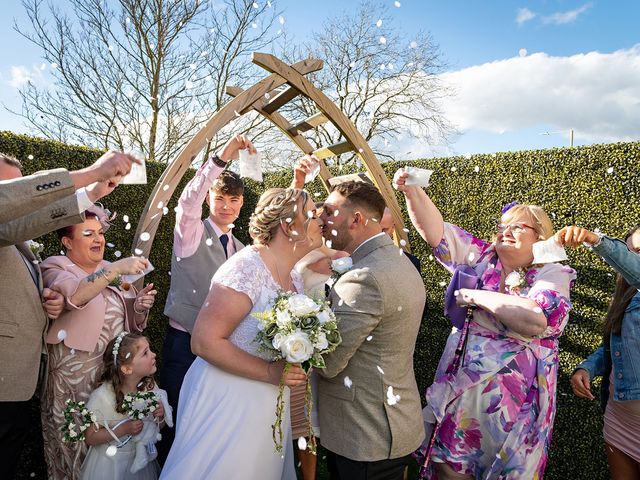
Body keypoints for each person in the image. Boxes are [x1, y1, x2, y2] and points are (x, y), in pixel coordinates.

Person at [394, 169, 576, 479]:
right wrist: (411, 190)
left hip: (518, 403)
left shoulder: (553, 273)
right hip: (463, 392)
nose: (505, 231)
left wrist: (475, 296)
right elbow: (437, 234)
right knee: (449, 467)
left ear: (539, 236)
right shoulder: (481, 258)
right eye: (502, 226)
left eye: (517, 227)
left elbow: (535, 319)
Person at [160, 188, 320, 479]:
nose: (319, 219)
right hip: (227, 400)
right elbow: (204, 340)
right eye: (311, 214)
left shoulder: (294, 276)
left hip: (268, 403)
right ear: (287, 225)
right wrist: (271, 372)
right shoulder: (246, 267)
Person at [0, 151, 136, 479]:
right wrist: (89, 173)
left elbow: (34, 216)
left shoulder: (15, 240)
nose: (17, 194)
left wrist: (93, 193)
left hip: (17, 380)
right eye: (10, 186)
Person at [317, 180, 426, 480]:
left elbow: (328, 363)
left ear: (356, 220)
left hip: (365, 433)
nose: (320, 219)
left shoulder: (364, 277)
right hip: (392, 422)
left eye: (328, 212)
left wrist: (293, 340)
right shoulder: (398, 262)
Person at [158, 134, 254, 462]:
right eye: (220, 199)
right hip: (183, 347)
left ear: (242, 204)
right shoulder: (191, 233)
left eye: (234, 200)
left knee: (209, 426)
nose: (226, 206)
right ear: (210, 200)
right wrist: (224, 156)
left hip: (224, 350)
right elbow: (187, 201)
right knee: (175, 425)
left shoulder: (243, 251)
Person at [40, 211, 157, 479]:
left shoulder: (112, 269)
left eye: (100, 233)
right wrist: (113, 269)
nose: (98, 239)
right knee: (74, 438)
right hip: (73, 377)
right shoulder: (56, 266)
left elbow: (132, 326)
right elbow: (76, 296)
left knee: (110, 441)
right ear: (68, 242)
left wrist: (138, 308)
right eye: (88, 233)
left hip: (111, 380)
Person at [558, 225, 640, 479]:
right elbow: (614, 347)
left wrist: (595, 239)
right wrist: (587, 368)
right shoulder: (627, 297)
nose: (636, 257)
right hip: (619, 416)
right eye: (634, 251)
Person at [80, 332, 170, 480]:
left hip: (140, 465)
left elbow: (157, 428)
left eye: (150, 350)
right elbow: (90, 437)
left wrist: (159, 416)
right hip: (109, 465)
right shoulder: (104, 397)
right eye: (145, 353)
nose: (153, 355)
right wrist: (123, 429)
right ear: (127, 369)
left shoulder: (149, 387)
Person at [380, 206, 421, 273]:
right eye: (375, 229)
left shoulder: (411, 263)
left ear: (392, 228)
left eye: (384, 230)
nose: (379, 234)